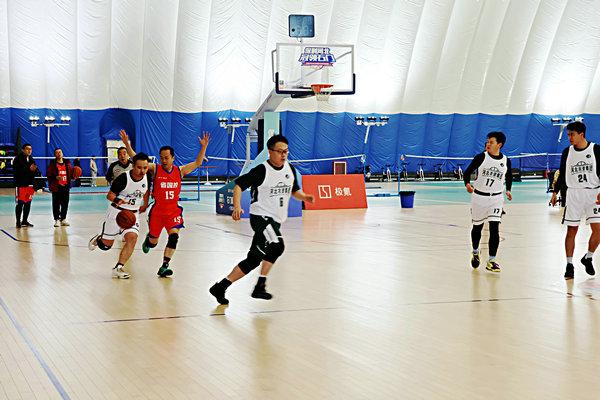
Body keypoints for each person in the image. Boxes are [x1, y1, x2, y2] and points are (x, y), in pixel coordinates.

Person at [209, 134, 315, 305]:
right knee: (277, 246)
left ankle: (220, 287)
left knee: (253, 260)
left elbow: (294, 190)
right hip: (261, 217)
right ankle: (260, 286)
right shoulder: (261, 170)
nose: (283, 155)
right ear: (270, 152)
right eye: (280, 151)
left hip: (275, 221)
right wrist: (237, 207)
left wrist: (305, 197)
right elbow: (238, 186)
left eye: (286, 151)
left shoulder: (290, 170)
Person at [119, 129, 210, 277]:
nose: (164, 160)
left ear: (173, 158)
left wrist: (204, 146)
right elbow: (137, 159)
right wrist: (127, 144)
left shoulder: (180, 171)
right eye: (161, 158)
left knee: (174, 237)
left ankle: (164, 266)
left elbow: (198, 162)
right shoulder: (155, 169)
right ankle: (149, 240)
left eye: (166, 158)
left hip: (173, 211)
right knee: (153, 242)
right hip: (157, 212)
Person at [88, 153, 151, 279]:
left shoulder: (147, 176)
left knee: (132, 238)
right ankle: (100, 239)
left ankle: (118, 268)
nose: (142, 171)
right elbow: (109, 195)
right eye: (139, 167)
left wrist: (145, 203)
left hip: (133, 214)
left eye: (145, 168)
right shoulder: (123, 178)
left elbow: (146, 190)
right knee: (106, 246)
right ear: (133, 166)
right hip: (117, 212)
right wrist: (118, 200)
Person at [550, 121, 600, 280]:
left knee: (598, 230)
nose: (569, 137)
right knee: (572, 230)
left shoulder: (595, 149)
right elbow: (562, 173)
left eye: (572, 134)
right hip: (574, 194)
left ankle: (588, 257)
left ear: (581, 134)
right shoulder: (567, 152)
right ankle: (569, 264)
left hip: (593, 193)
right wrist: (555, 192)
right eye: (568, 135)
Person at [464, 131, 513, 273]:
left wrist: (508, 190)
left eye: (491, 142)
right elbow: (467, 172)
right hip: (479, 197)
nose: (488, 144)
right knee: (477, 228)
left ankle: (491, 260)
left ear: (499, 144)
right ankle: (475, 251)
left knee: (494, 228)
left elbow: (509, 176)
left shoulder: (506, 160)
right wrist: (467, 184)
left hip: (496, 198)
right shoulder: (481, 157)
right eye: (487, 142)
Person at [47, 148, 74, 227]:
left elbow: (71, 173)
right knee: (56, 204)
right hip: (56, 187)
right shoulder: (52, 164)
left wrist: (74, 175)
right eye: (57, 152)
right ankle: (57, 219)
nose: (59, 153)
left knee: (65, 203)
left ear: (62, 153)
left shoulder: (67, 163)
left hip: (65, 186)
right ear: (55, 155)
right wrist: (55, 177)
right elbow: (48, 174)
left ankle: (63, 219)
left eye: (60, 152)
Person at [13, 143, 37, 228]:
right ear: (23, 150)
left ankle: (24, 220)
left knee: (28, 203)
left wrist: (35, 170)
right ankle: (18, 221)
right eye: (27, 149)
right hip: (21, 185)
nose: (29, 151)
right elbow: (17, 171)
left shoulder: (31, 158)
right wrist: (29, 169)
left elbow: (34, 170)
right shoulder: (17, 159)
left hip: (30, 185)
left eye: (30, 149)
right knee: (20, 204)